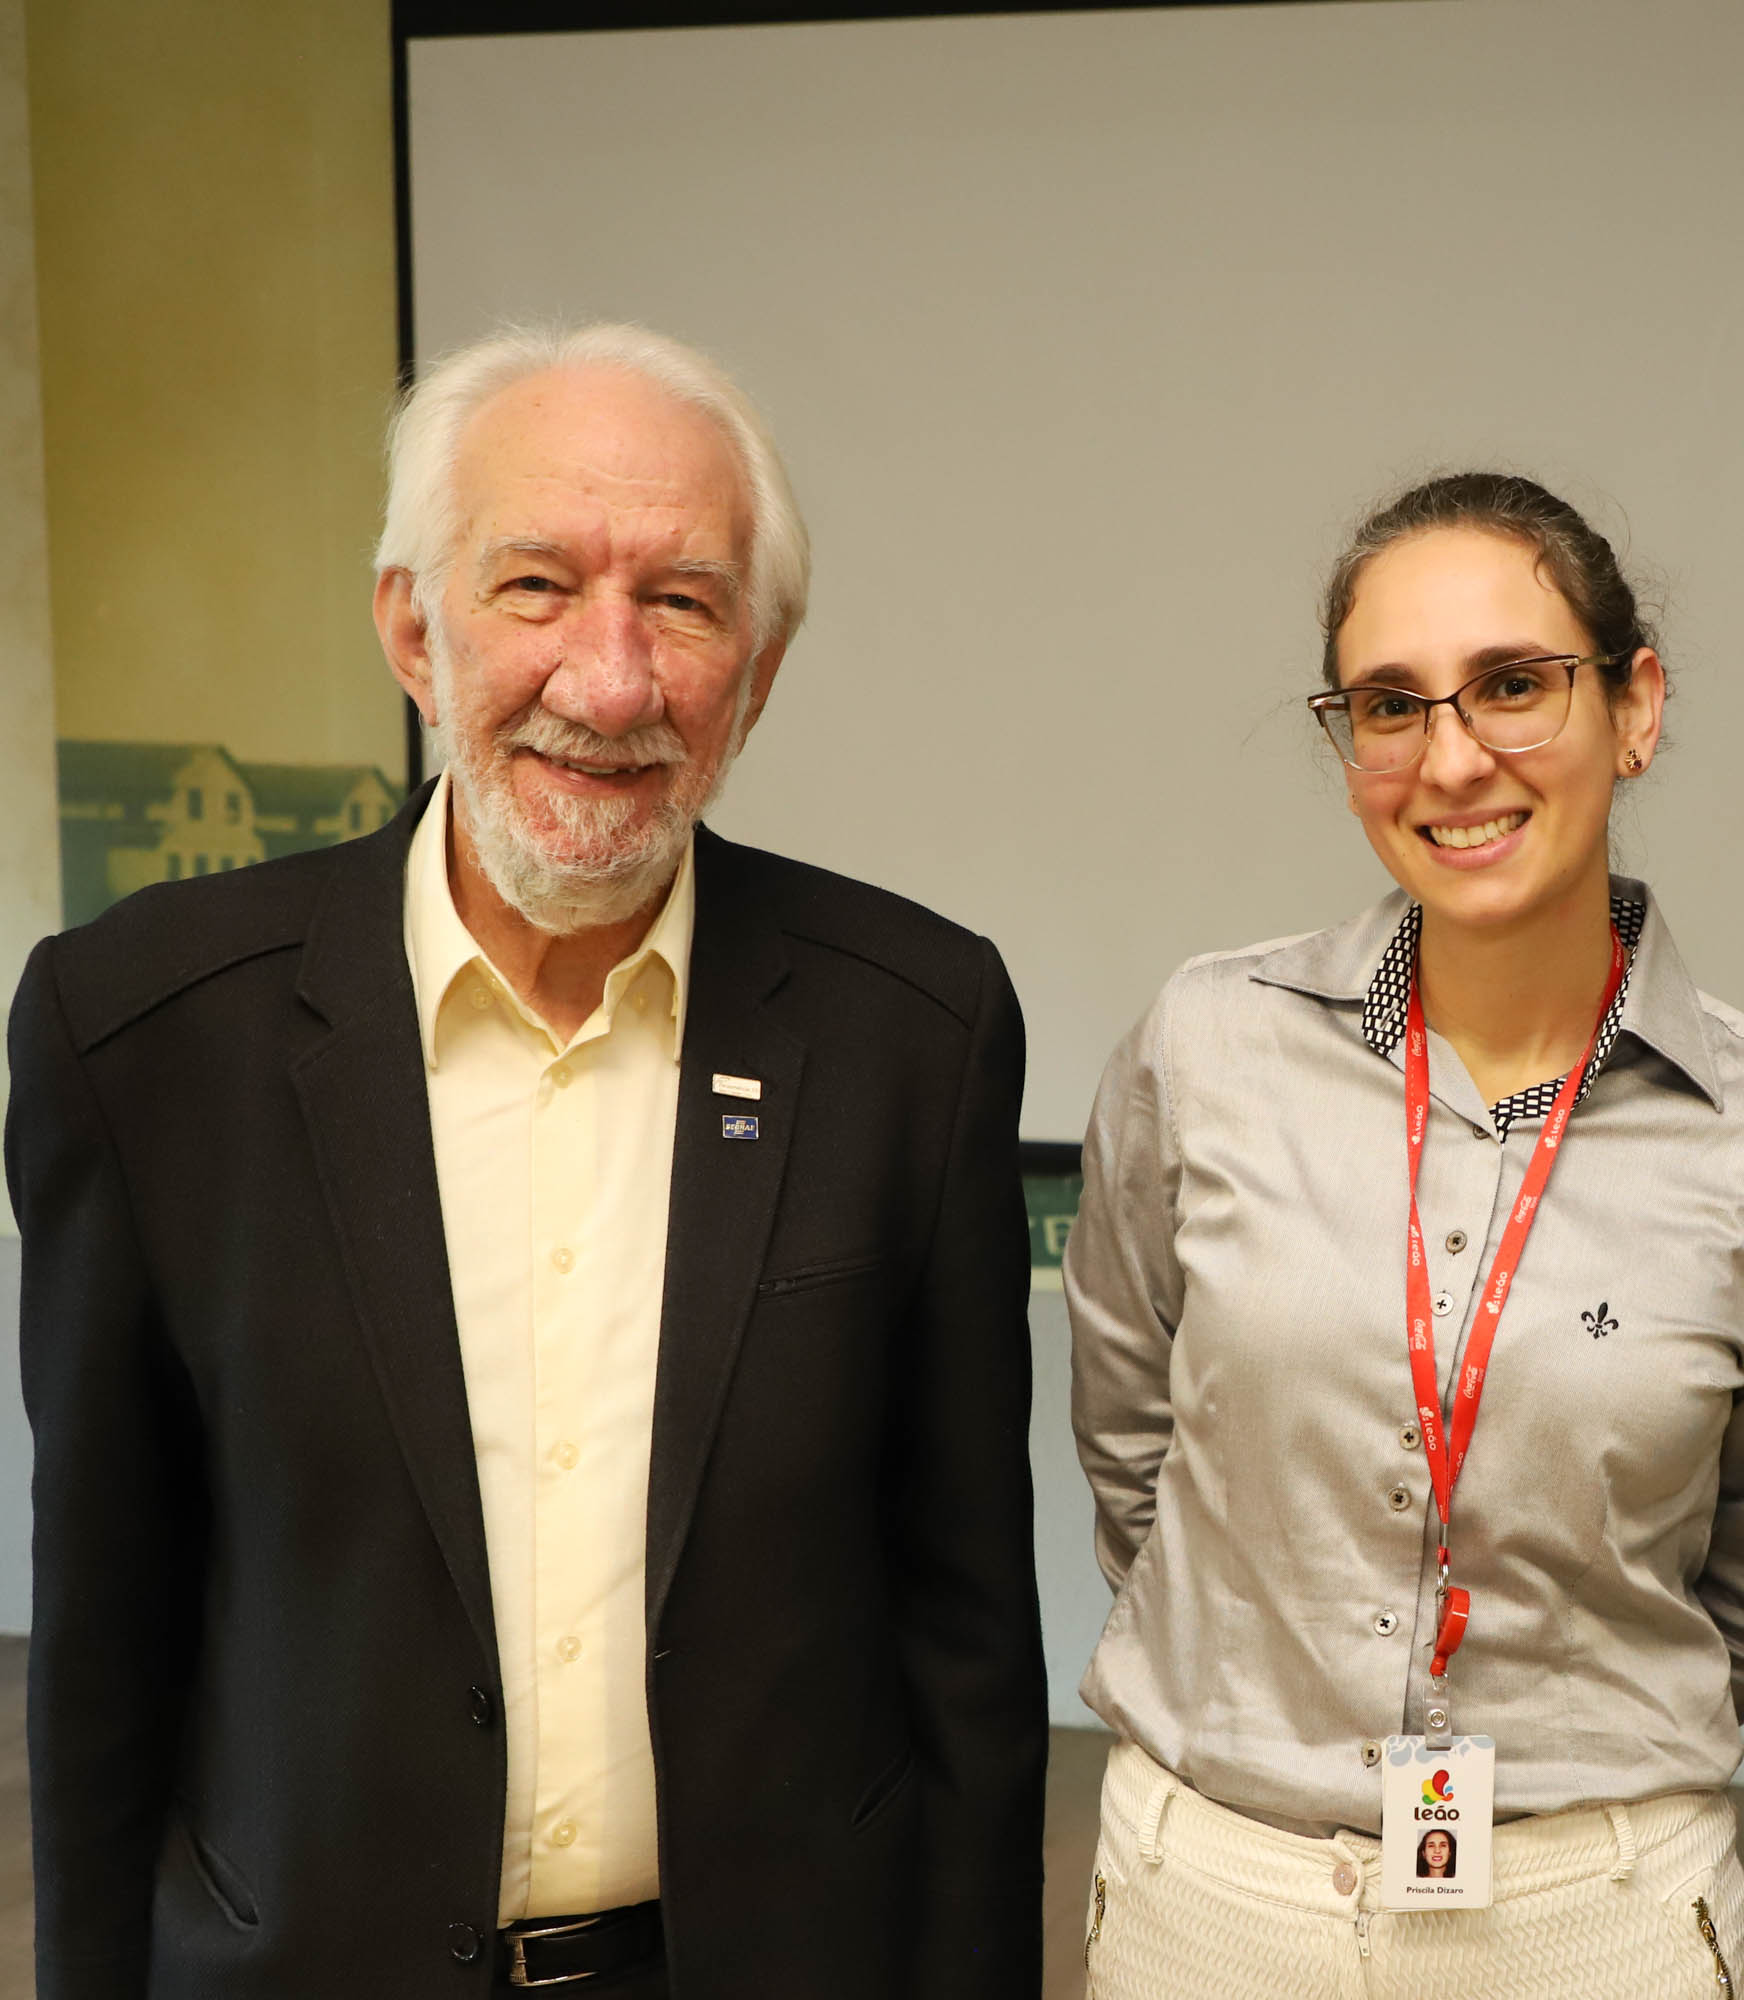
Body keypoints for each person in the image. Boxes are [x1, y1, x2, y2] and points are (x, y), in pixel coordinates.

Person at [7, 323, 1048, 1997]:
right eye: (538, 587)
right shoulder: (142, 1038)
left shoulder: (909, 1033)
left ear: (759, 673)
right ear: (412, 628)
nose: (611, 680)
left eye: (685, 603)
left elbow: (970, 1641)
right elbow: (105, 1645)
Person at [1065, 472, 1744, 1998]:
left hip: (1595, 1918)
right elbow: (1130, 1447)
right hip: (1216, 1900)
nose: (1452, 761)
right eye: (1391, 706)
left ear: (1635, 708)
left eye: (1513, 686)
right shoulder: (1204, 1052)